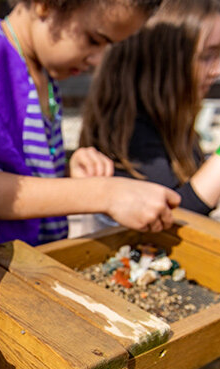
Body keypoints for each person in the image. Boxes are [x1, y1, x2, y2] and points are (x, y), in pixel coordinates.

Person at [0, 0, 181, 247]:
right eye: (94, 40)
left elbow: (21, 171)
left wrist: (66, 172)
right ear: (45, 5)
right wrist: (104, 193)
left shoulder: (43, 73)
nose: (98, 59)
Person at [79, 0, 220, 216]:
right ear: (162, 60)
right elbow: (170, 215)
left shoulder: (172, 121)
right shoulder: (130, 129)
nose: (217, 70)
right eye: (206, 56)